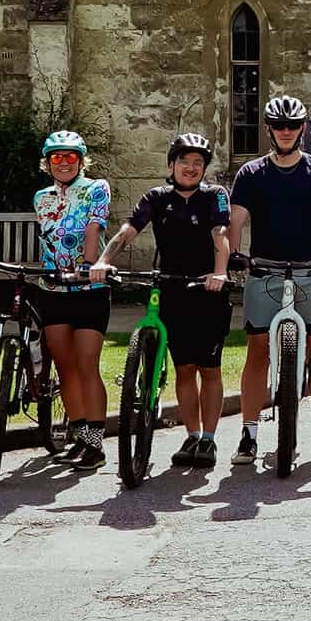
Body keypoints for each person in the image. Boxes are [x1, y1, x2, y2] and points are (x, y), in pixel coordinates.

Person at [228, 95, 311, 463]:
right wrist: (236, 254)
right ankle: (248, 436)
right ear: (269, 129)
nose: (286, 131)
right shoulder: (251, 174)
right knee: (257, 353)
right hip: (265, 270)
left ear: (303, 128)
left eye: (292, 125)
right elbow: (235, 219)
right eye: (279, 125)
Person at [93, 134, 233, 468]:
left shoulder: (215, 196)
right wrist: (103, 260)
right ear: (172, 164)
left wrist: (220, 272)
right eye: (184, 161)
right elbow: (128, 230)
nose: (191, 168)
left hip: (208, 289)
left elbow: (221, 236)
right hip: (171, 288)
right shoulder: (157, 197)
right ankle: (192, 435)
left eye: (198, 163)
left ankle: (210, 440)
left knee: (209, 368)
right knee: (184, 368)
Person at [32, 130, 112, 470]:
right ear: (48, 163)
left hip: (89, 288)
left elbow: (94, 226)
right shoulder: (41, 197)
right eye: (57, 158)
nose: (63, 163)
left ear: (81, 161)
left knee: (86, 361)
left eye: (70, 157)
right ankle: (78, 434)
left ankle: (96, 441)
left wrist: (89, 264)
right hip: (53, 288)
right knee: (64, 365)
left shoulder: (97, 188)